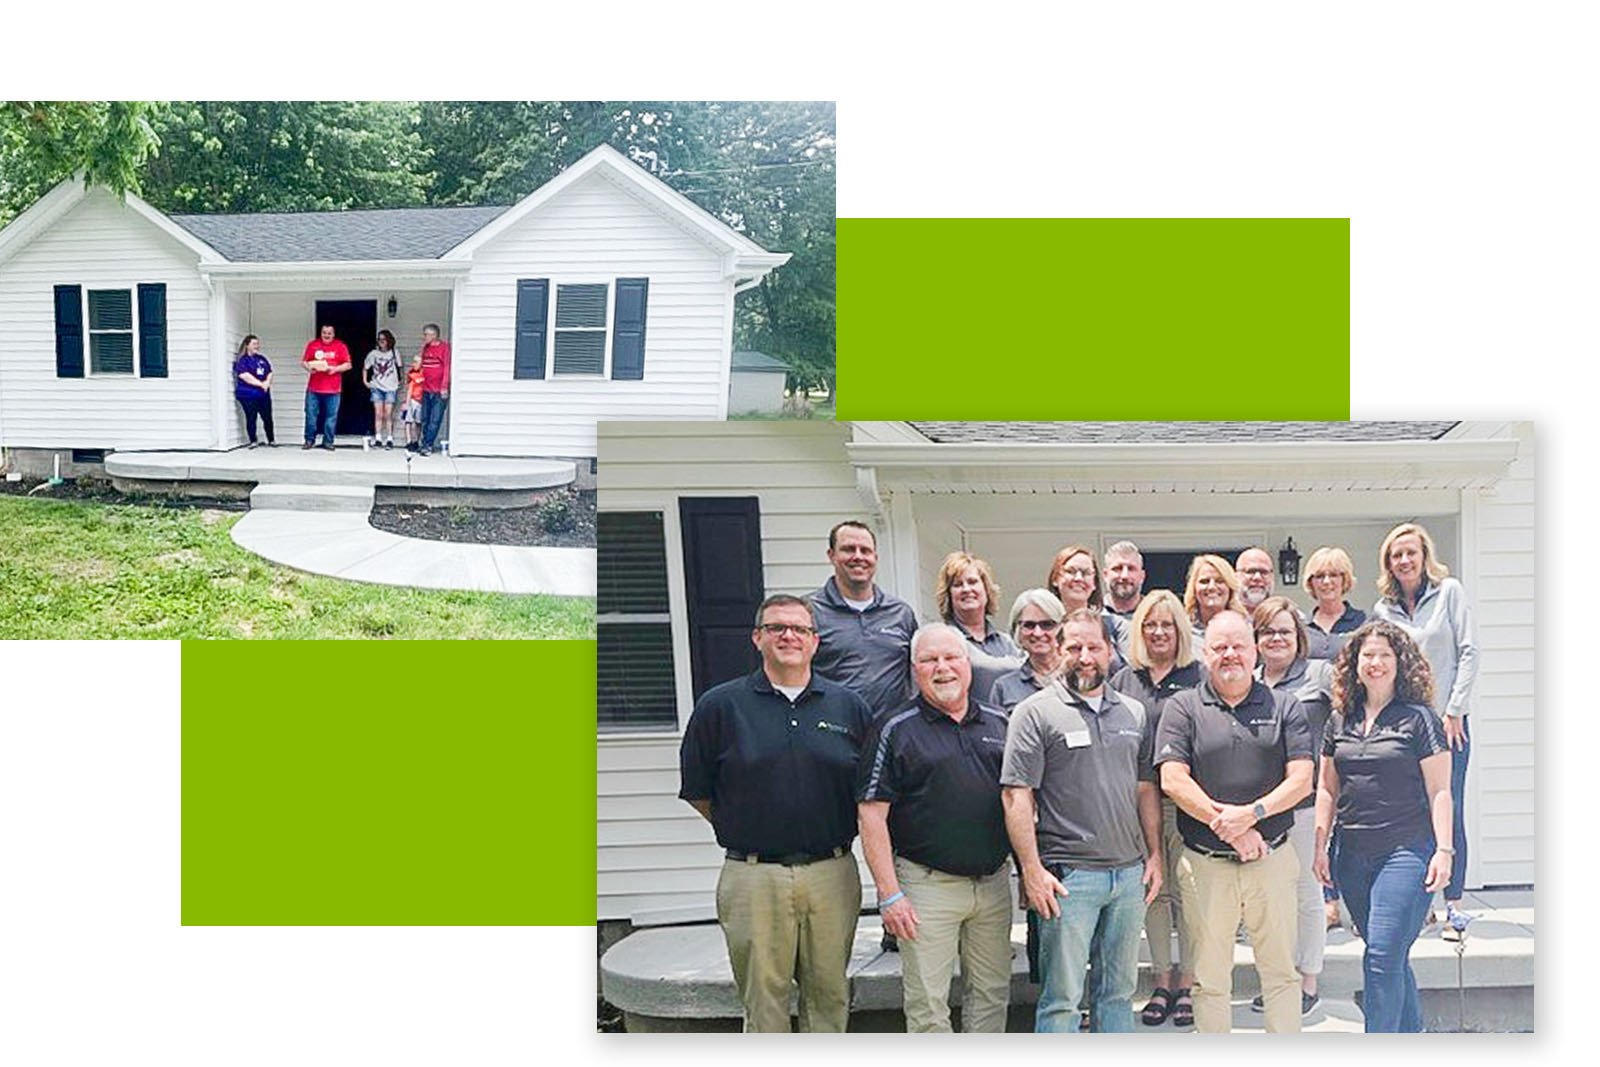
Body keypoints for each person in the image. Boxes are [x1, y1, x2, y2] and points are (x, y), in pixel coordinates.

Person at [677, 594, 873, 1032]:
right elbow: (698, 791)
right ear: (757, 638)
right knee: (764, 1002)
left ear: (815, 641)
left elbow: (869, 791)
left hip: (832, 873)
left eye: (799, 629)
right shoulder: (720, 707)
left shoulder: (849, 707)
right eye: (776, 628)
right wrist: (752, 826)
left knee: (830, 997)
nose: (788, 636)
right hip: (754, 878)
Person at [1002, 609, 1163, 1033]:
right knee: (1062, 1001)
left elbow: (1145, 789)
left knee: (1118, 994)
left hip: (1128, 876)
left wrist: (1154, 856)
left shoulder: (1133, 713)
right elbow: (1016, 795)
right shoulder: (1035, 713)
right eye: (1074, 647)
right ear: (1058, 651)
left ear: (1110, 651)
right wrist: (1031, 871)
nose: (1085, 657)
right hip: (1069, 878)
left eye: (1094, 647)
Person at [1154, 611, 1314, 1033]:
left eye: (1238, 646)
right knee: (1209, 981)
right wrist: (1230, 828)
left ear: (1255, 651)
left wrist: (1253, 815)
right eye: (1220, 647)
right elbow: (1172, 779)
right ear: (1205, 655)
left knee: (1282, 975)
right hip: (1206, 866)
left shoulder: (1284, 705)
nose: (1230, 655)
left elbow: (1302, 779)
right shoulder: (1182, 707)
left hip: (1271, 860)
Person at [857, 624, 1012, 1032]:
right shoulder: (894, 728)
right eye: (929, 660)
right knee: (928, 1005)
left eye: (951, 658)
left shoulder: (1000, 723)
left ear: (968, 664)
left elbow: (1020, 803)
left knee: (992, 995)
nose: (942, 668)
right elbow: (871, 815)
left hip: (993, 884)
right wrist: (890, 895)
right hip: (926, 887)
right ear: (915, 670)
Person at [1315, 621, 1453, 1032]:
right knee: (1387, 952)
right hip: (1351, 856)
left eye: (1385, 655)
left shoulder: (1420, 719)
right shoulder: (1338, 720)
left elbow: (1440, 791)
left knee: (1381, 955)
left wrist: (1444, 850)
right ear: (1354, 663)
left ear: (1400, 662)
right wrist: (1319, 847)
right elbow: (1326, 789)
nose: (1375, 663)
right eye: (1368, 655)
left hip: (1406, 852)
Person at [1370, 522, 1478, 926]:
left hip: (1449, 724)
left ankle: (1454, 905)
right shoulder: (1384, 610)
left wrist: (1455, 709)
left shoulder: (1449, 592)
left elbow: (1469, 651)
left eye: (1410, 552)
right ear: (1388, 563)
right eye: (1396, 555)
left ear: (1424, 556)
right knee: (1412, 811)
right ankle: (1423, 903)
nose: (1404, 560)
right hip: (1407, 726)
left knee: (1449, 807)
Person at [1108, 589, 1203, 1027]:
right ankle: (1162, 981)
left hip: (1188, 805)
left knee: (1189, 895)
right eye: (1150, 624)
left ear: (1180, 630)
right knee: (1154, 894)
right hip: (1138, 804)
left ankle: (1189, 981)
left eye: (1167, 624)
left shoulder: (1199, 677)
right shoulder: (1124, 681)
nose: (1159, 632)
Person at [1250, 596, 1335, 1018]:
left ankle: (1308, 981)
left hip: (1305, 802)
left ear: (1299, 637)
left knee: (1305, 893)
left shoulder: (1320, 674)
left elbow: (1347, 725)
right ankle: (1278, 977)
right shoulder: (1248, 680)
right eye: (1267, 631)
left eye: (1284, 631)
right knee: (1269, 899)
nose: (1276, 638)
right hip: (1260, 807)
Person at [810, 520, 918, 719]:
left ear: (875, 558)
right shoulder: (809, 612)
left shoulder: (901, 613)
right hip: (833, 727)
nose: (858, 556)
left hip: (892, 730)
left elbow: (918, 672)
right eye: (849, 549)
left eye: (865, 550)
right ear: (831, 555)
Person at [935, 551, 1022, 705]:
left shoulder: (1006, 642)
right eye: (957, 584)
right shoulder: (945, 640)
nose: (966, 589)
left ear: (986, 590)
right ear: (948, 595)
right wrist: (1013, 663)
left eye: (972, 582)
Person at [1046, 543, 1129, 674]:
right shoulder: (1039, 627)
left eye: (1086, 573)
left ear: (1094, 583)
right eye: (1071, 571)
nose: (1078, 578)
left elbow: (1129, 674)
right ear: (1055, 579)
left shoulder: (1116, 627)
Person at [988, 589, 1065, 713]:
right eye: (1029, 625)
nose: (1038, 633)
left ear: (1061, 628)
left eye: (1047, 625)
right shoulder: (1004, 688)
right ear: (1017, 631)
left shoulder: (1079, 676)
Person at [1303, 545, 1368, 662]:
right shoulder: (1301, 626)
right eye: (1319, 576)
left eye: (1333, 575)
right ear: (1311, 582)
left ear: (1344, 580)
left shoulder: (1364, 622)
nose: (1326, 581)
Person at [301, 324, 351, 450]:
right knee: (311, 415)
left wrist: (335, 369)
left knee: (331, 417)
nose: (326, 335)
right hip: (314, 388)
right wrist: (309, 368)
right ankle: (309, 440)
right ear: (321, 333)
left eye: (329, 333)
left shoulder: (340, 346)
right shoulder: (313, 345)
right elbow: (304, 362)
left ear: (333, 334)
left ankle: (328, 441)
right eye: (324, 333)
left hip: (333, 389)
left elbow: (348, 364)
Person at [1182, 553, 1245, 647]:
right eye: (1204, 581)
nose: (1211, 587)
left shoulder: (1245, 628)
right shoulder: (1182, 630)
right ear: (1193, 588)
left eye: (1220, 581)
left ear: (1230, 588)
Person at [233, 335, 275, 447]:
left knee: (267, 417)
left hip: (263, 394)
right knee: (251, 417)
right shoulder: (243, 360)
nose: (257, 346)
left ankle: (271, 440)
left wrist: (267, 382)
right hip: (248, 395)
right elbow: (244, 375)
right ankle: (253, 440)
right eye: (254, 344)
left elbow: (270, 372)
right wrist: (261, 384)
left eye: (257, 344)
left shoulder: (262, 359)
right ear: (247, 345)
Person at [363, 329, 403, 449]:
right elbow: (365, 367)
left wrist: (401, 380)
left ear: (389, 340)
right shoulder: (373, 354)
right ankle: (378, 438)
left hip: (391, 387)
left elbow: (400, 367)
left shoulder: (394, 353)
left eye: (384, 339)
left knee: (388, 413)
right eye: (379, 339)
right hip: (377, 386)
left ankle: (390, 439)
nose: (381, 342)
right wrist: (365, 381)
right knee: (378, 413)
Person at [417, 323, 452, 456]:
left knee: (435, 419)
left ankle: (428, 445)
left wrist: (444, 386)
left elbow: (447, 367)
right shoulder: (425, 348)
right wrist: (422, 348)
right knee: (424, 418)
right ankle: (424, 442)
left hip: (438, 390)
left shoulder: (444, 347)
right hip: (425, 388)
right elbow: (418, 364)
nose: (424, 337)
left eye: (426, 334)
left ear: (434, 335)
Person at [1102, 541, 1146, 619]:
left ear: (1142, 576)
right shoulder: (1091, 614)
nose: (1125, 576)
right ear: (1105, 575)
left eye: (1131, 568)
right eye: (1118, 568)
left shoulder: (1154, 612)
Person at [1235, 546, 1276, 611]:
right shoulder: (1224, 615)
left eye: (1264, 572)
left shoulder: (1285, 614)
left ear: (1272, 576)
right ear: (1236, 576)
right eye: (1250, 571)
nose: (1257, 577)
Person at [401, 356, 425, 452]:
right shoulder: (412, 374)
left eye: (416, 362)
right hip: (412, 400)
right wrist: (407, 403)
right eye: (413, 362)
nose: (413, 364)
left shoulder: (424, 374)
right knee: (409, 420)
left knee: (418, 422)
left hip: (421, 401)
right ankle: (409, 441)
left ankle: (416, 441)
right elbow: (409, 390)